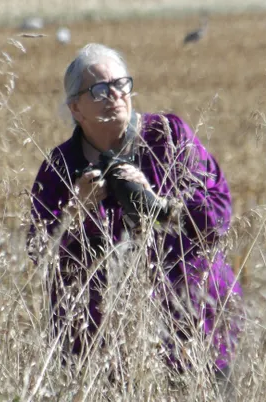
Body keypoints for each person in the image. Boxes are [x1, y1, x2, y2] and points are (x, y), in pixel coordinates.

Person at [27, 43, 243, 383]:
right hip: (102, 348)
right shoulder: (59, 168)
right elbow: (41, 252)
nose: (115, 95)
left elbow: (219, 214)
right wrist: (76, 209)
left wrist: (159, 205)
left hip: (194, 328)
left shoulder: (168, 137)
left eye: (121, 84)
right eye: (99, 90)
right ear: (76, 108)